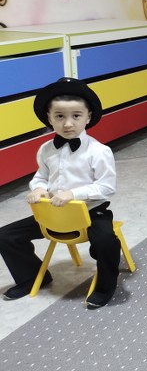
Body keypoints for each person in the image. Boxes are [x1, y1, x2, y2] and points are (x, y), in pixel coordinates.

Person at [0, 78, 120, 308]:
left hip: (91, 213)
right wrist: (38, 188)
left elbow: (107, 187)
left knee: (106, 242)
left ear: (88, 117)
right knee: (6, 236)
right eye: (60, 116)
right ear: (49, 118)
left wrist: (73, 193)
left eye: (76, 116)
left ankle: (105, 286)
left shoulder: (99, 151)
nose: (68, 124)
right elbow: (41, 176)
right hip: (53, 214)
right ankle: (32, 276)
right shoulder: (45, 149)